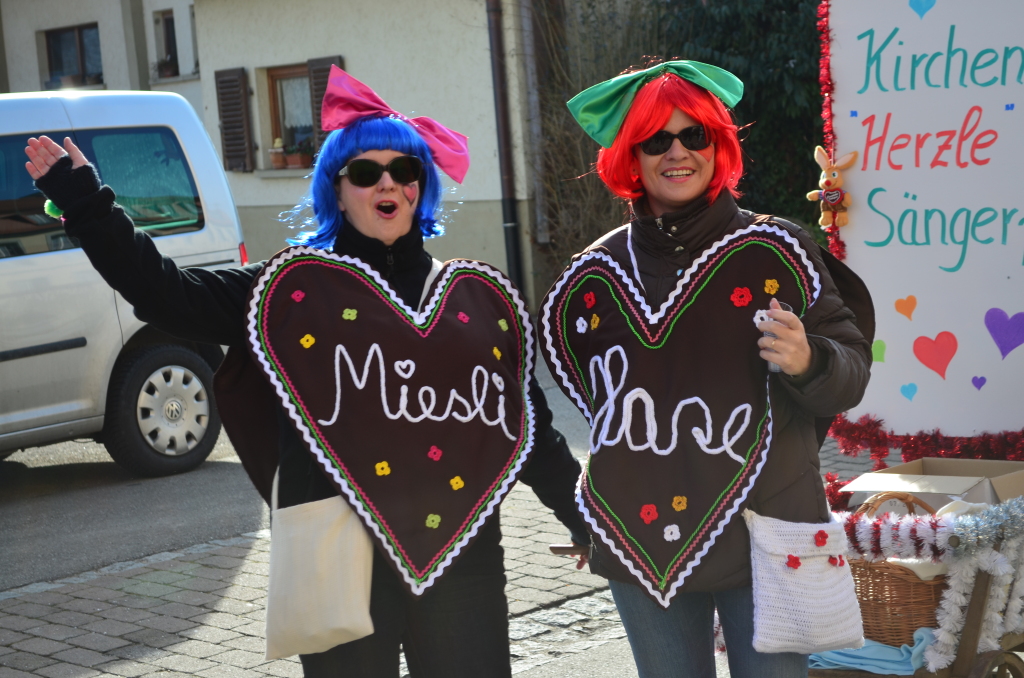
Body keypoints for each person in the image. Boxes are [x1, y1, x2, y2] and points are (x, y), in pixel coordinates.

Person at [25, 67, 589, 678]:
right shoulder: (290, 289)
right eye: (366, 171)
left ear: (421, 187)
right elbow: (168, 296)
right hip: (336, 550)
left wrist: (585, 522)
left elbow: (527, 428)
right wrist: (86, 203)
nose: (387, 182)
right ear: (337, 188)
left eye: (404, 170)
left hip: (462, 551)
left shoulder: (479, 298)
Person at [541, 60, 874, 678]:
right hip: (638, 541)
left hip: (767, 535)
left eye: (694, 135)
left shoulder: (777, 250)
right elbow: (590, 401)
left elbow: (852, 370)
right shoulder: (593, 277)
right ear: (630, 156)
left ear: (718, 146)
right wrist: (591, 510)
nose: (677, 152)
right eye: (655, 139)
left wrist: (809, 360)